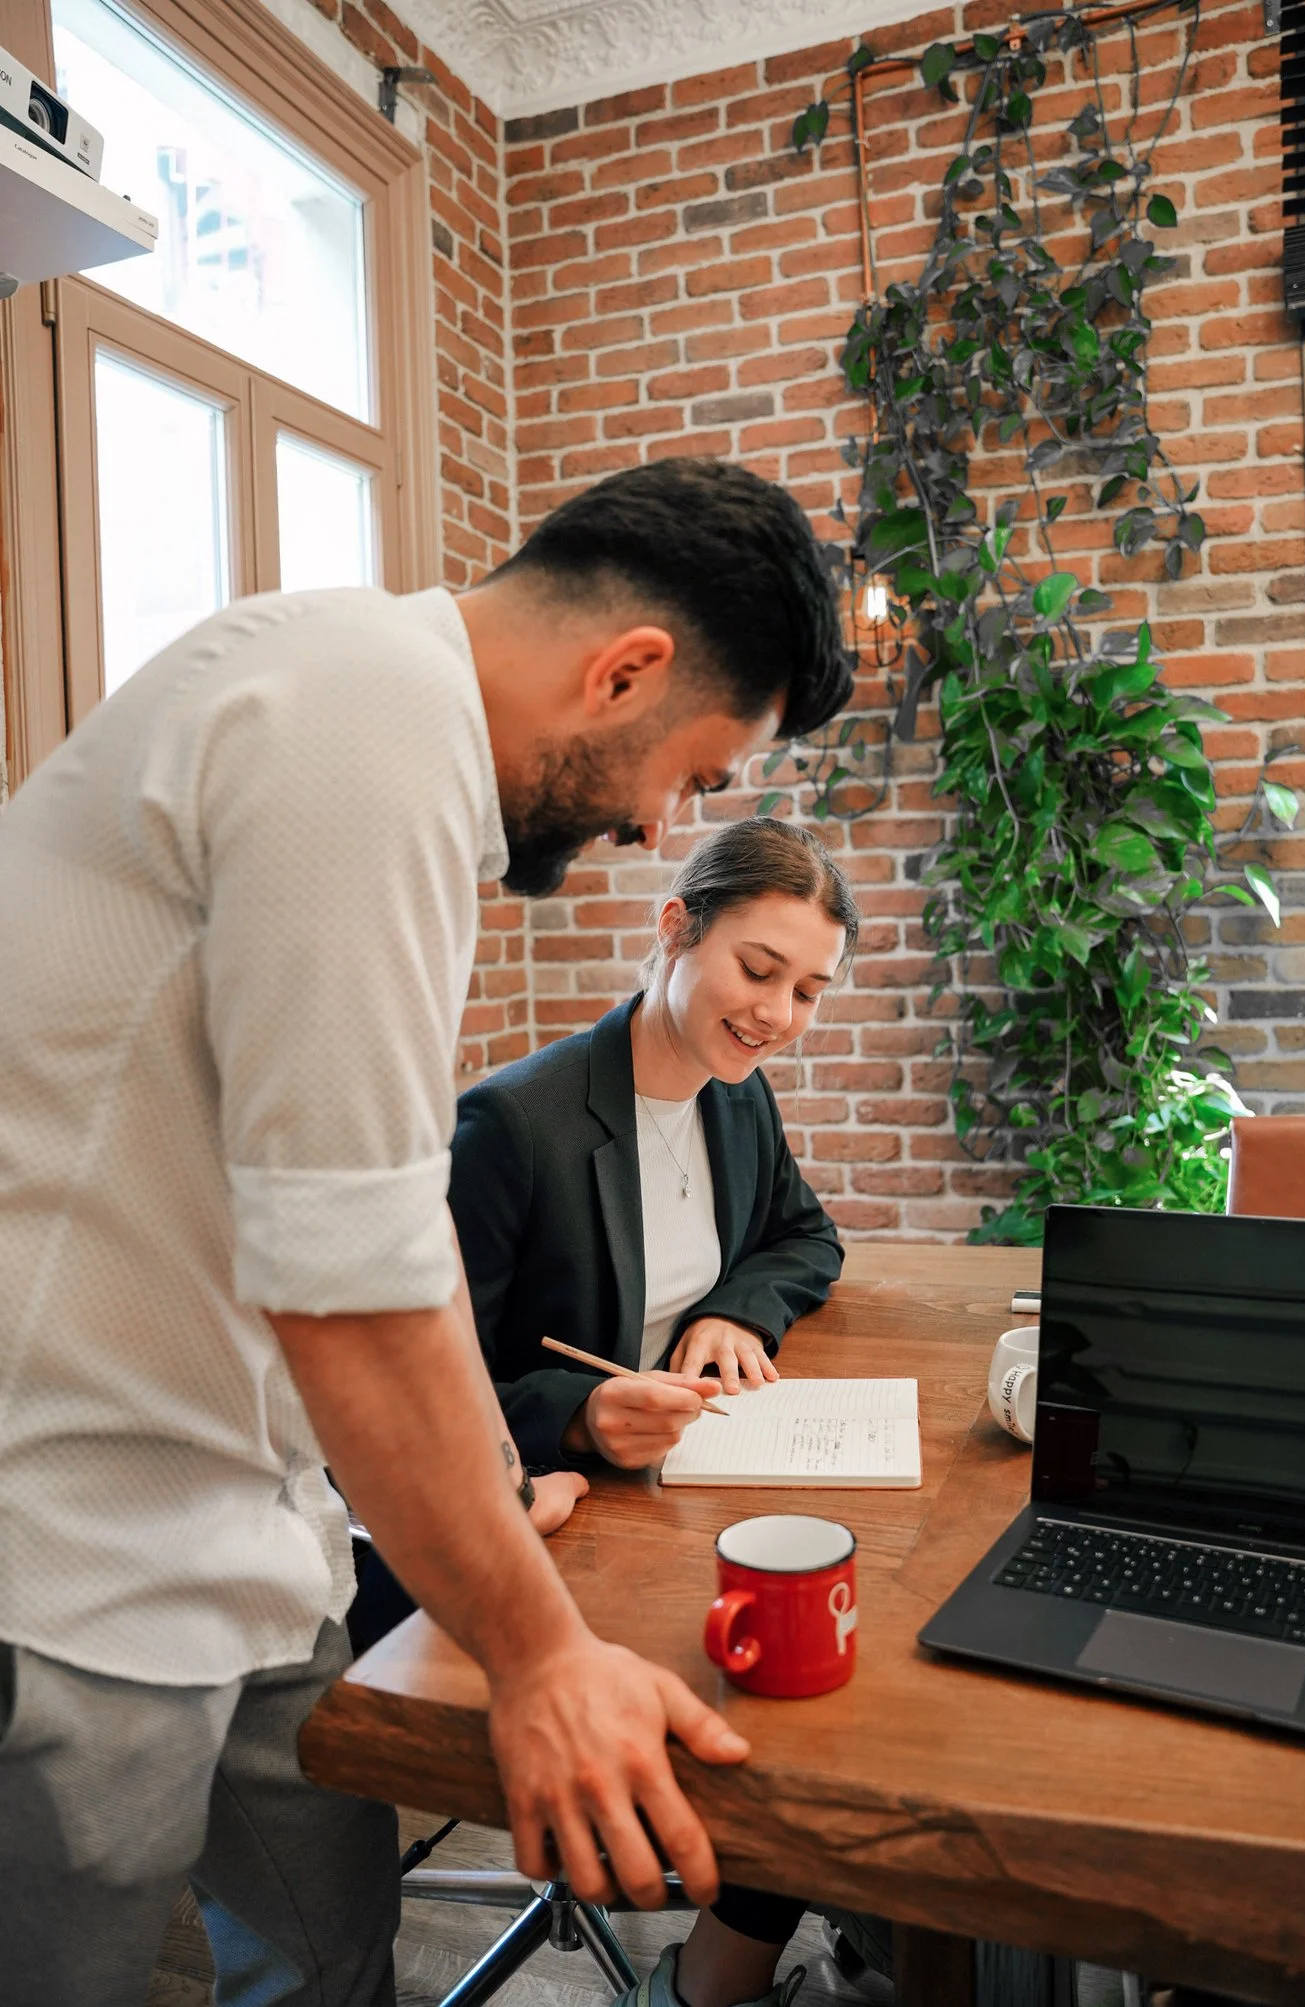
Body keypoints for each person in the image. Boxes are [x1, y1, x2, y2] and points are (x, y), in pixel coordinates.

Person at [0, 457, 852, 2006]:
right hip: (67, 1546)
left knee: (335, 1955)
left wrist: (463, 1486)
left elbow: (375, 1234)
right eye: (695, 774)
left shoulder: (393, 736)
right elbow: (360, 1279)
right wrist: (537, 1651)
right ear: (627, 670)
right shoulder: (363, 720)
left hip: (255, 1538)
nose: (666, 824)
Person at [448, 817, 861, 2007]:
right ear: (676, 929)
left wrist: (737, 1309)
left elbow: (805, 1236)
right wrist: (580, 1416)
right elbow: (433, 1385)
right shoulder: (515, 1124)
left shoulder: (738, 1096)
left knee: (825, 1679)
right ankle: (715, 1983)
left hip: (691, 1494)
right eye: (758, 970)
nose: (777, 1013)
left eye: (809, 991)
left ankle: (749, 1966)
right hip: (559, 1526)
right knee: (789, 1730)